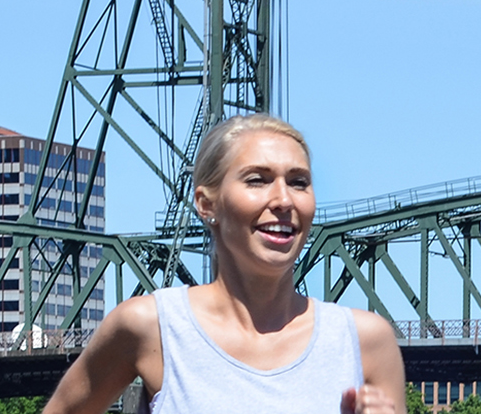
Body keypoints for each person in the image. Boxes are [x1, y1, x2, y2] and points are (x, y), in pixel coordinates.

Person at [43, 114, 405, 414]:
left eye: (299, 182)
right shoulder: (151, 326)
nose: (283, 199)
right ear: (206, 203)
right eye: (257, 180)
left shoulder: (366, 341)